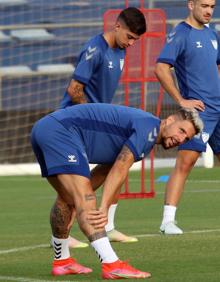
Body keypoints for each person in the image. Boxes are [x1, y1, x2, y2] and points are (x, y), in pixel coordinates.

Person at [31, 103, 202, 279]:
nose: (181, 140)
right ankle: (111, 264)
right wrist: (100, 206)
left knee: (68, 199)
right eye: (181, 131)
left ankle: (62, 261)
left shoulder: (146, 136)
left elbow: (106, 170)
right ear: (170, 120)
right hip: (61, 131)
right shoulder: (150, 128)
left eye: (186, 139)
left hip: (45, 130)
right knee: (86, 199)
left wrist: (83, 199)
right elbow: (121, 166)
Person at [59, 6, 147, 248]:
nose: (131, 43)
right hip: (74, 123)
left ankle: (107, 225)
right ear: (117, 26)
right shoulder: (94, 49)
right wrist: (96, 116)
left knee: (120, 158)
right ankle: (61, 235)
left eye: (136, 40)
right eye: (130, 37)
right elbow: (74, 90)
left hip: (95, 122)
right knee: (74, 183)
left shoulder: (120, 51)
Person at [155, 0, 220, 235]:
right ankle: (167, 221)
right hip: (200, 113)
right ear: (190, 5)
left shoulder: (213, 35)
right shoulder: (181, 33)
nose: (209, 10)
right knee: (186, 163)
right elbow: (161, 68)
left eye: (212, 6)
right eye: (204, 5)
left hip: (219, 107)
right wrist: (181, 100)